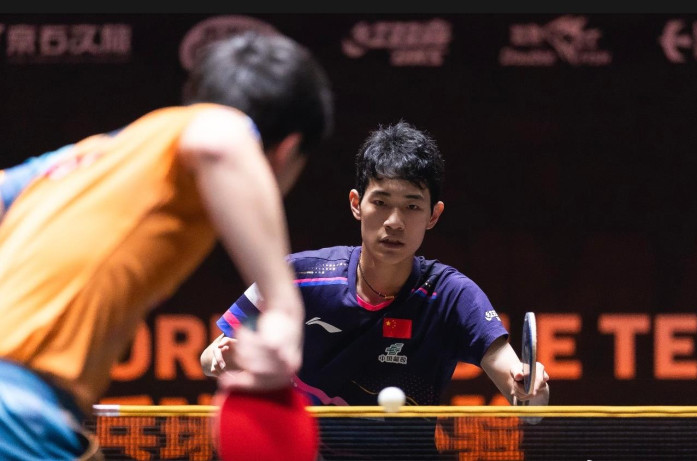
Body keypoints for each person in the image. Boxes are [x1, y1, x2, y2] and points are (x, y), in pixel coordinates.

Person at [0, 30, 334, 460]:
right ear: (287, 151)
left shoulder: (74, 162)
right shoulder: (214, 129)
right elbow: (221, 135)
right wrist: (284, 310)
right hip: (17, 411)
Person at [201, 121, 550, 458]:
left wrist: (531, 390)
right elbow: (209, 357)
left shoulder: (451, 297)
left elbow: (523, 395)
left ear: (433, 215)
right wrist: (224, 357)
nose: (394, 222)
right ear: (356, 204)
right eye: (381, 202)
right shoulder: (298, 276)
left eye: (412, 206)